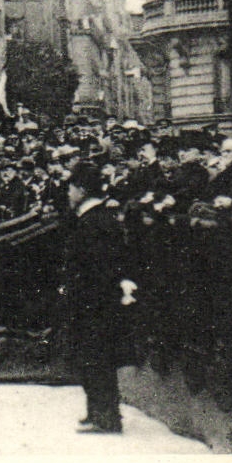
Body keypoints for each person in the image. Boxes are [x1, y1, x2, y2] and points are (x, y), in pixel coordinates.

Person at [64, 162, 130, 434]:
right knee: (93, 358)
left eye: (70, 188)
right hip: (94, 302)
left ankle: (106, 417)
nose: (67, 193)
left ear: (81, 190)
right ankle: (99, 413)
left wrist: (79, 294)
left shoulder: (95, 223)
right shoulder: (95, 219)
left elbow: (99, 268)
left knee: (97, 358)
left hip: (95, 304)